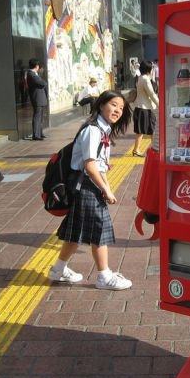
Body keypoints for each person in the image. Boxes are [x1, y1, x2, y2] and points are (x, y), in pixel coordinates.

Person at [48, 90, 134, 291]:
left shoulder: (102, 130)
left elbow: (99, 164)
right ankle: (104, 276)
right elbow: (90, 166)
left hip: (89, 186)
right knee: (99, 230)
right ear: (101, 105)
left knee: (75, 233)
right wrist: (105, 189)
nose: (118, 110)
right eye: (113, 105)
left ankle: (58, 270)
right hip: (86, 187)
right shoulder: (93, 131)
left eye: (121, 108)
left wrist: (106, 187)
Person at [132, 60, 159, 157]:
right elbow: (151, 94)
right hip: (145, 108)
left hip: (141, 107)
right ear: (149, 69)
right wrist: (160, 104)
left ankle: (154, 148)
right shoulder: (145, 79)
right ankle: (139, 150)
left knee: (148, 130)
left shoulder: (140, 78)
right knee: (148, 130)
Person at [24, 58, 48, 141]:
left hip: (39, 97)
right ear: (37, 66)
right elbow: (42, 83)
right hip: (37, 98)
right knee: (37, 116)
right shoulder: (31, 74)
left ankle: (40, 133)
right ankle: (36, 135)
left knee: (40, 117)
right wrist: (44, 82)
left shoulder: (34, 74)